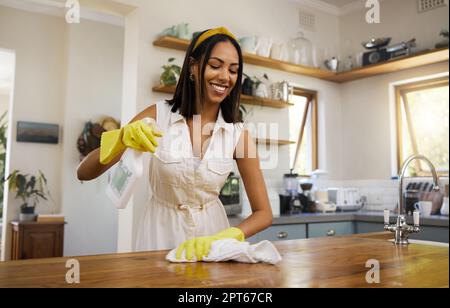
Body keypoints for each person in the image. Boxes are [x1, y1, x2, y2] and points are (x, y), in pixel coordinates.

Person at [77, 27, 272, 261]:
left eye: (233, 70)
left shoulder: (238, 134)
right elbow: (84, 172)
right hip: (159, 234)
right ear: (193, 67)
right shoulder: (157, 116)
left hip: (211, 240)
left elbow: (264, 213)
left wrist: (228, 235)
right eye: (215, 65)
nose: (225, 77)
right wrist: (120, 139)